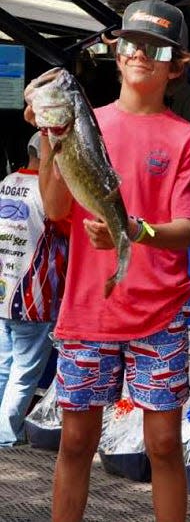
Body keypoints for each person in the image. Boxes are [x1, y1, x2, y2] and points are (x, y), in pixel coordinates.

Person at [26, 0, 190, 522]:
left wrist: (135, 230)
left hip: (160, 312)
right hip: (89, 309)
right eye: (131, 42)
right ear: (116, 49)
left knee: (163, 446)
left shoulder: (187, 138)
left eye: (156, 47)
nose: (141, 55)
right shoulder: (87, 122)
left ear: (177, 63)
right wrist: (49, 139)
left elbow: (184, 233)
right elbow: (58, 210)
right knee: (75, 443)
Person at [0, 132, 68, 447]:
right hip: (34, 299)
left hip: (3, 294)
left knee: (3, 366)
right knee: (24, 372)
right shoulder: (48, 192)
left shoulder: (6, 183)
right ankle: (5, 435)